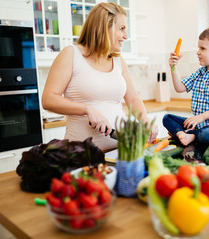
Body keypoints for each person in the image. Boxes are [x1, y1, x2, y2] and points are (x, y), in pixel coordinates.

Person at [42, 2, 157, 151]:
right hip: (82, 155)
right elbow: (48, 100)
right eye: (121, 29)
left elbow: (133, 99)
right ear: (104, 27)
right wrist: (87, 109)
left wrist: (145, 121)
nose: (125, 36)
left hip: (119, 152)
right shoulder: (71, 54)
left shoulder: (118, 60)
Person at [163, 25, 209, 146]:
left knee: (206, 135)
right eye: (199, 48)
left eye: (203, 48)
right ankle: (184, 134)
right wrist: (173, 67)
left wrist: (201, 117)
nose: (198, 52)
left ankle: (187, 134)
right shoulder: (200, 73)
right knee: (167, 118)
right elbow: (179, 87)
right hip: (198, 124)